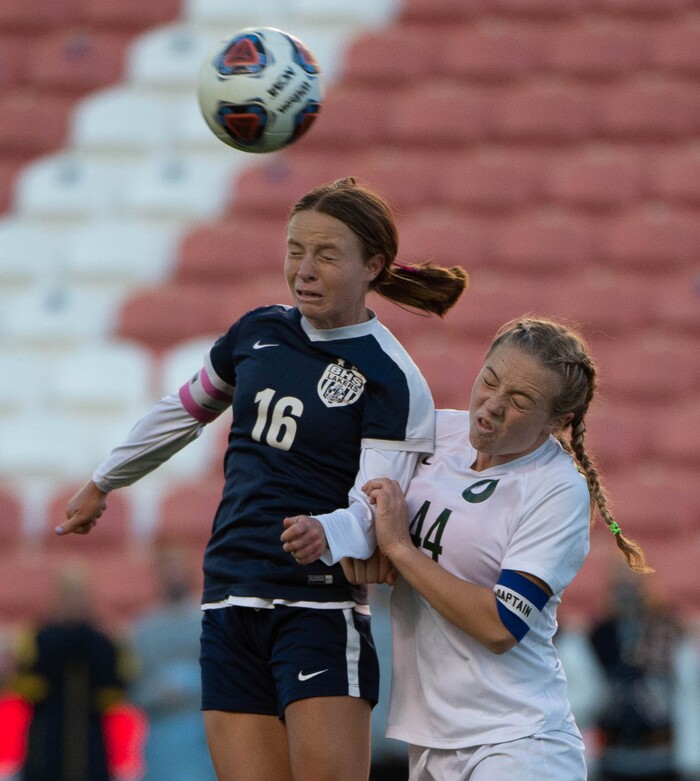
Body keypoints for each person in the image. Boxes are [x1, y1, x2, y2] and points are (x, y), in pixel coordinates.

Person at [55, 177, 468, 781]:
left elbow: (377, 509)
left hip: (318, 607)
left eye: (326, 255)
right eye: (295, 249)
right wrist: (104, 480)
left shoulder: (393, 380)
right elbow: (183, 410)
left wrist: (327, 532)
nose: (304, 268)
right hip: (229, 597)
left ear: (372, 265)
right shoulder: (258, 332)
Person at [347, 316, 652, 781]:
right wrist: (364, 544)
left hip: (518, 744)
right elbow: (364, 516)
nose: (491, 406)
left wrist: (400, 550)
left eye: (520, 401)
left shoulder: (557, 489)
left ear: (558, 421)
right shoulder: (436, 433)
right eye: (488, 380)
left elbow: (499, 625)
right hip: (431, 740)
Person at [10, 563, 128, 781]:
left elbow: (114, 694)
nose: (75, 601)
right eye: (69, 594)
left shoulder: (103, 641)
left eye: (80, 594)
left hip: (91, 746)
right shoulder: (39, 636)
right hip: (45, 744)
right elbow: (25, 688)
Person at [128, 544, 216, 781]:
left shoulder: (209, 618)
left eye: (177, 567)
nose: (172, 574)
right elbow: (134, 690)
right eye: (166, 568)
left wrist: (191, 683)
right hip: (161, 736)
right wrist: (159, 692)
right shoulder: (144, 627)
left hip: (204, 733)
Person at [589, 568, 683, 781]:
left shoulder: (663, 626)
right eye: (620, 583)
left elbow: (667, 677)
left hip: (658, 748)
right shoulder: (601, 632)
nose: (628, 592)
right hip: (613, 749)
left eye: (633, 583)